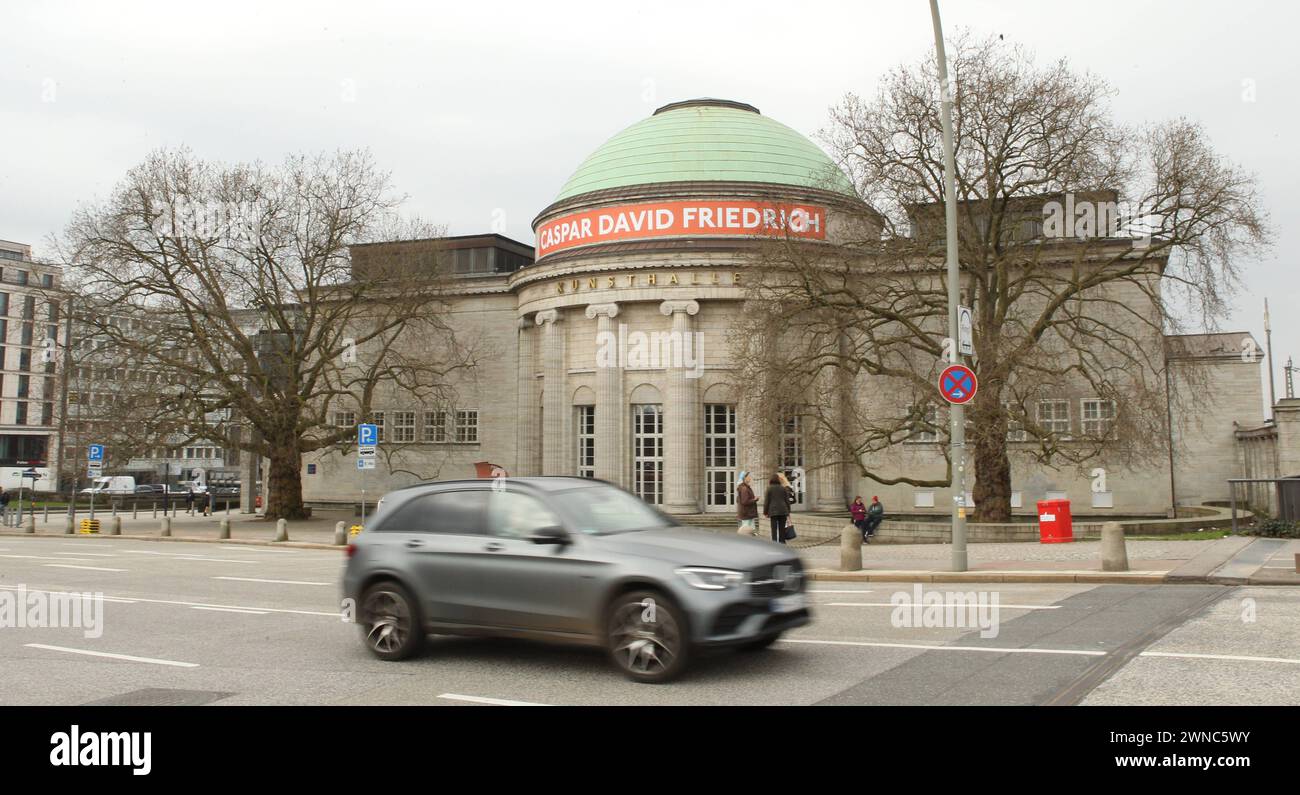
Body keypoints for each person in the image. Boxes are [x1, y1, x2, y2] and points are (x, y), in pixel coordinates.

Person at [762, 474, 791, 544]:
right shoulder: (783, 488)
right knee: (782, 529)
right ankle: (782, 543)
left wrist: (765, 512)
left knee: (774, 529)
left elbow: (766, 502)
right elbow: (787, 501)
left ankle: (774, 544)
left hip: (773, 511)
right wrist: (788, 511)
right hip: (783, 511)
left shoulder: (769, 488)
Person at [736, 471, 759, 536]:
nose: (750, 478)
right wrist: (754, 500)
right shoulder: (744, 488)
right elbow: (744, 501)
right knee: (746, 533)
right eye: (748, 476)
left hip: (748, 513)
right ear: (744, 478)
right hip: (746, 513)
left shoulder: (745, 487)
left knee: (750, 532)